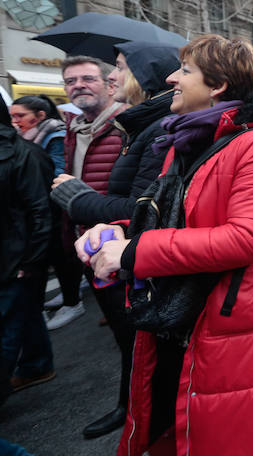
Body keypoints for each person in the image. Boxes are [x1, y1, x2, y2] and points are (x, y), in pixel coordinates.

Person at [77, 35, 253, 455]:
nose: (172, 77)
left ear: (218, 84)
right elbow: (169, 217)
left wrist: (133, 253)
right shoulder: (186, 141)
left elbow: (246, 238)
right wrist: (114, 232)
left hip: (233, 321)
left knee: (224, 436)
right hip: (181, 315)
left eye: (185, 70)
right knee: (177, 427)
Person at [48, 41, 179, 439]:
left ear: (144, 77)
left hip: (128, 254)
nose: (109, 77)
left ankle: (141, 416)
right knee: (131, 344)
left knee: (142, 345)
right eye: (72, 80)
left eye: (118, 68)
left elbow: (141, 207)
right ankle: (133, 409)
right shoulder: (128, 124)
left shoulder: (155, 128)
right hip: (104, 248)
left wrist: (78, 197)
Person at [46, 56, 126, 331]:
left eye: (88, 79)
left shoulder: (128, 124)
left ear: (109, 85)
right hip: (85, 246)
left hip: (121, 245)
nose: (78, 86)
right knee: (117, 326)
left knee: (134, 337)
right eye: (71, 81)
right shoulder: (73, 129)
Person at [0, 102, 55, 406]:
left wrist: (32, 259)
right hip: (13, 254)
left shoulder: (24, 153)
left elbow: (40, 210)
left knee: (8, 324)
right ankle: (36, 365)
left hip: (16, 256)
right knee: (25, 312)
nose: (17, 120)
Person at [9, 95, 66, 175]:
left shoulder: (56, 137)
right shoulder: (18, 134)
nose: (14, 121)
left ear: (41, 115)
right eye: (12, 116)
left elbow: (58, 172)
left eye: (21, 115)